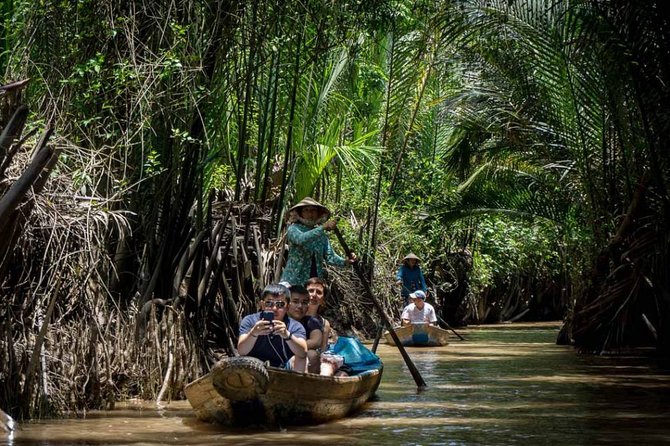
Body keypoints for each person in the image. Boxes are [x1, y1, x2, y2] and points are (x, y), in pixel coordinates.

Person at [280, 196, 355, 287]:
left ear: (318, 213)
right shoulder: (294, 228)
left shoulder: (321, 235)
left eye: (313, 210)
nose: (310, 213)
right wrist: (322, 228)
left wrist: (345, 261)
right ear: (300, 213)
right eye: (306, 210)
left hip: (314, 283)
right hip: (293, 281)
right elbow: (301, 239)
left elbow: (330, 256)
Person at [238, 283, 307, 371]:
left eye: (280, 304)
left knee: (301, 358)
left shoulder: (295, 326)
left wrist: (287, 335)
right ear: (262, 305)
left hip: (283, 368)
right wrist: (253, 333)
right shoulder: (250, 320)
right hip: (253, 366)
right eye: (269, 303)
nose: (274, 308)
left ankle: (294, 384)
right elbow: (242, 351)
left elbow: (303, 353)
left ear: (288, 307)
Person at [286, 284, 324, 373]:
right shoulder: (279, 319)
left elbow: (316, 341)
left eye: (304, 303)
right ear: (287, 303)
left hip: (300, 356)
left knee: (312, 355)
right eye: (295, 301)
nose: (300, 306)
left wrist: (292, 346)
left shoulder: (311, 321)